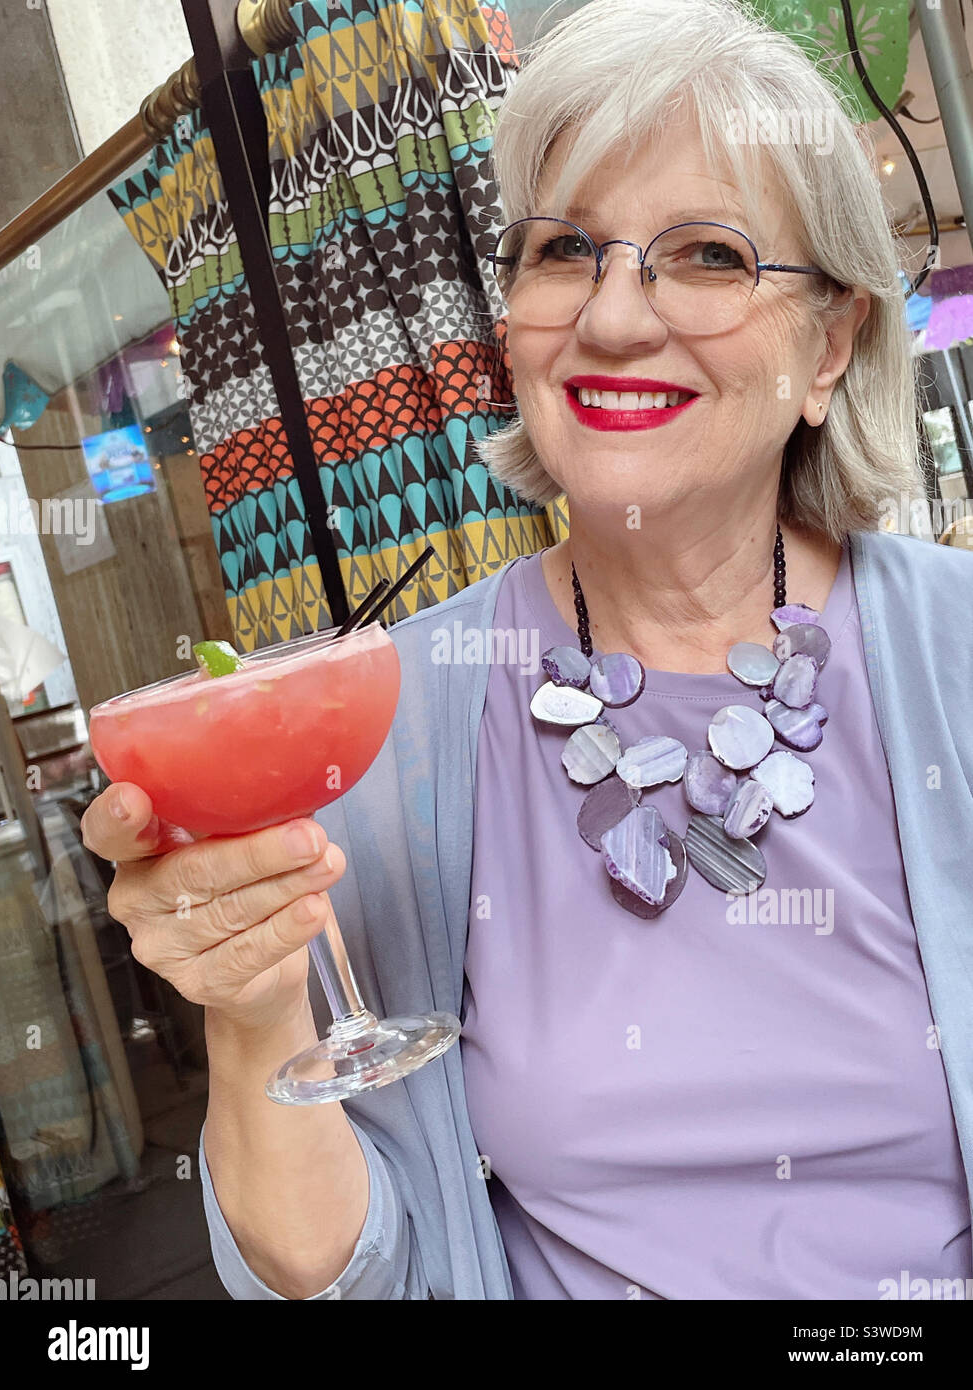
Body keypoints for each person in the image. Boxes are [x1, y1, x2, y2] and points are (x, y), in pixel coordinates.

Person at [81, 0, 973, 1300]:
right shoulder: (398, 714)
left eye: (709, 253)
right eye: (563, 250)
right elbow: (340, 1273)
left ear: (831, 343)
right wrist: (255, 1000)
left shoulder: (951, 654)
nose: (612, 318)